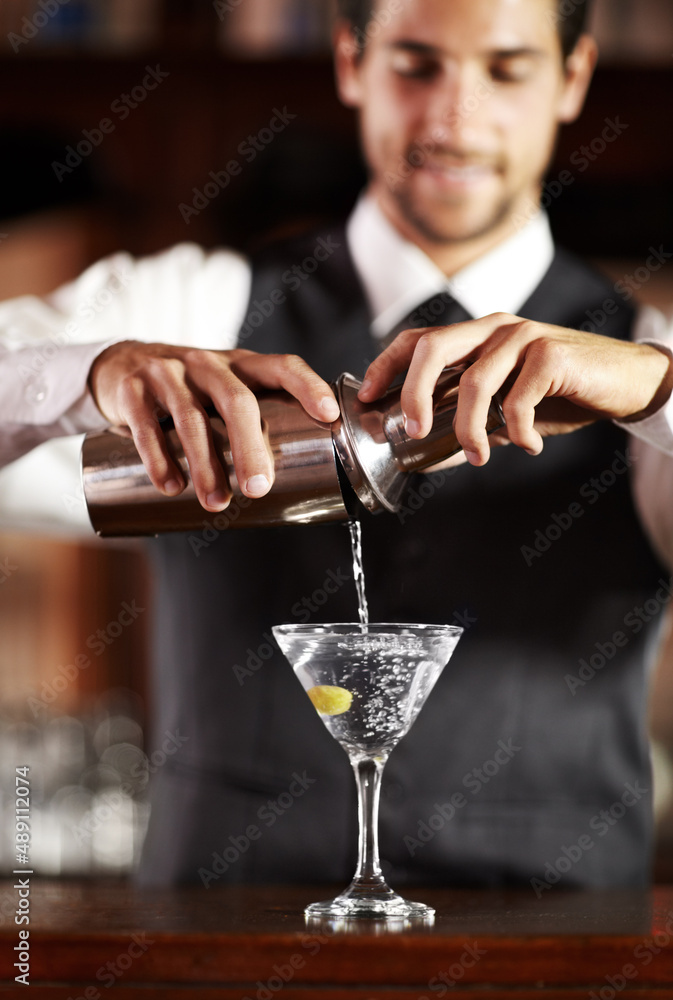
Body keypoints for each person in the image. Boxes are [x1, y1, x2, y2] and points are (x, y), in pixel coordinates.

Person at [1, 0, 673, 890]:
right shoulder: (191, 304)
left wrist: (658, 387)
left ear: (572, 78)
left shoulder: (642, 346)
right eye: (416, 63)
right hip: (220, 936)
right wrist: (87, 375)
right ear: (352, 61)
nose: (454, 117)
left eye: (505, 69)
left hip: (559, 943)